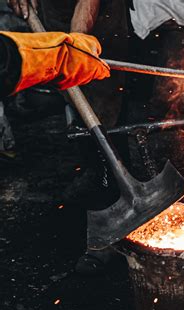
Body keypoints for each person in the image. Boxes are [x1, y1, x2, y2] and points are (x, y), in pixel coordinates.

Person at [7, 0, 130, 275]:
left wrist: (77, 39)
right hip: (56, 11)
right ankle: (100, 185)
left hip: (98, 14)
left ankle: (115, 214)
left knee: (102, 105)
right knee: (75, 101)